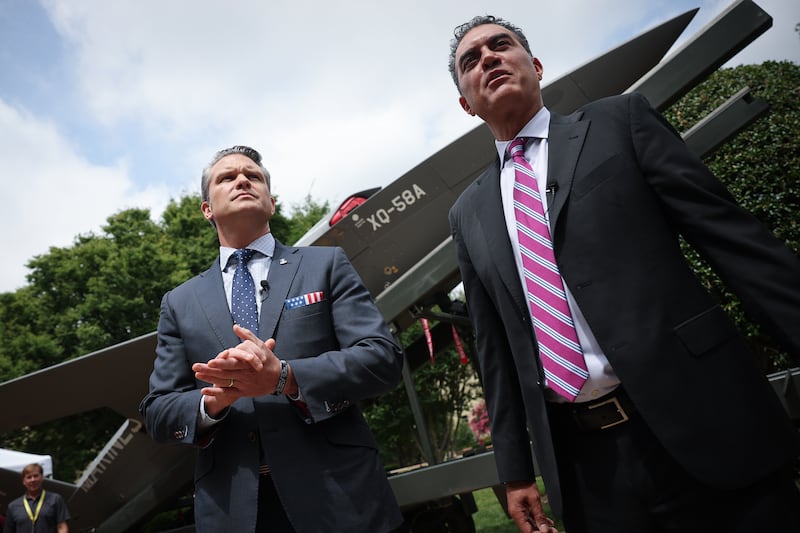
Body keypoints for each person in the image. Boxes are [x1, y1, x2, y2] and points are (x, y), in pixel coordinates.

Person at [446, 15, 800, 533]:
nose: (488, 58)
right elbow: (494, 352)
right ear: (466, 103)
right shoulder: (467, 214)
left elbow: (736, 244)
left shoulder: (618, 122)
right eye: (471, 61)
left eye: (501, 45)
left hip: (710, 421)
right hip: (593, 476)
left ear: (536, 66)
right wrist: (516, 471)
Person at [139, 145, 404, 532]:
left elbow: (382, 358)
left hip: (341, 497)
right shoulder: (179, 303)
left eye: (254, 176)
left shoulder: (325, 264)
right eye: (227, 178)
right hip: (234, 512)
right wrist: (214, 401)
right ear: (207, 209)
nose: (242, 180)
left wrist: (286, 377)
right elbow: (158, 411)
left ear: (272, 203)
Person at [3, 463, 69, 533]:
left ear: (42, 477)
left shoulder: (55, 499)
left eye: (36, 476)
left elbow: (62, 527)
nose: (33, 480)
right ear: (24, 481)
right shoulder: (13, 506)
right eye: (29, 477)